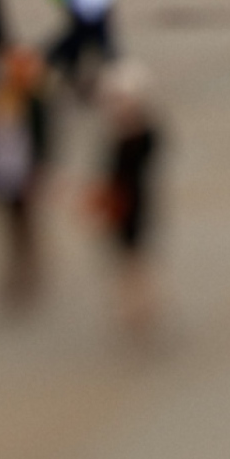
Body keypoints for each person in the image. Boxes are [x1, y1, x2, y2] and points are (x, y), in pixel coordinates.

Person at [0, 47, 54, 308]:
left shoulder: (36, 103)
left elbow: (43, 143)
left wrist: (38, 171)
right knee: (9, 224)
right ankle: (16, 271)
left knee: (24, 223)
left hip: (22, 173)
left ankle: (29, 270)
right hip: (1, 172)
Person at [93, 61, 163, 338]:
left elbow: (132, 169)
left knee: (134, 258)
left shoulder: (140, 136)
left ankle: (142, 305)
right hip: (120, 202)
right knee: (127, 258)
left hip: (134, 203)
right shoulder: (122, 134)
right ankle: (136, 304)